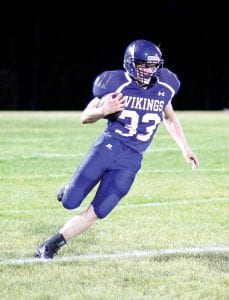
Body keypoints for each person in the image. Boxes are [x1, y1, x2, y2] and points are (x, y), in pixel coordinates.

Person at [35, 39, 199, 259]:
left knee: (100, 209)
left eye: (153, 65)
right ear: (131, 63)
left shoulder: (165, 86)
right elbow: (85, 117)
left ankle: (51, 245)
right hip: (108, 148)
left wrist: (184, 148)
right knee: (70, 202)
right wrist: (103, 110)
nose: (149, 70)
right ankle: (68, 190)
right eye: (143, 65)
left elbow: (169, 118)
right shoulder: (115, 83)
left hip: (132, 159)